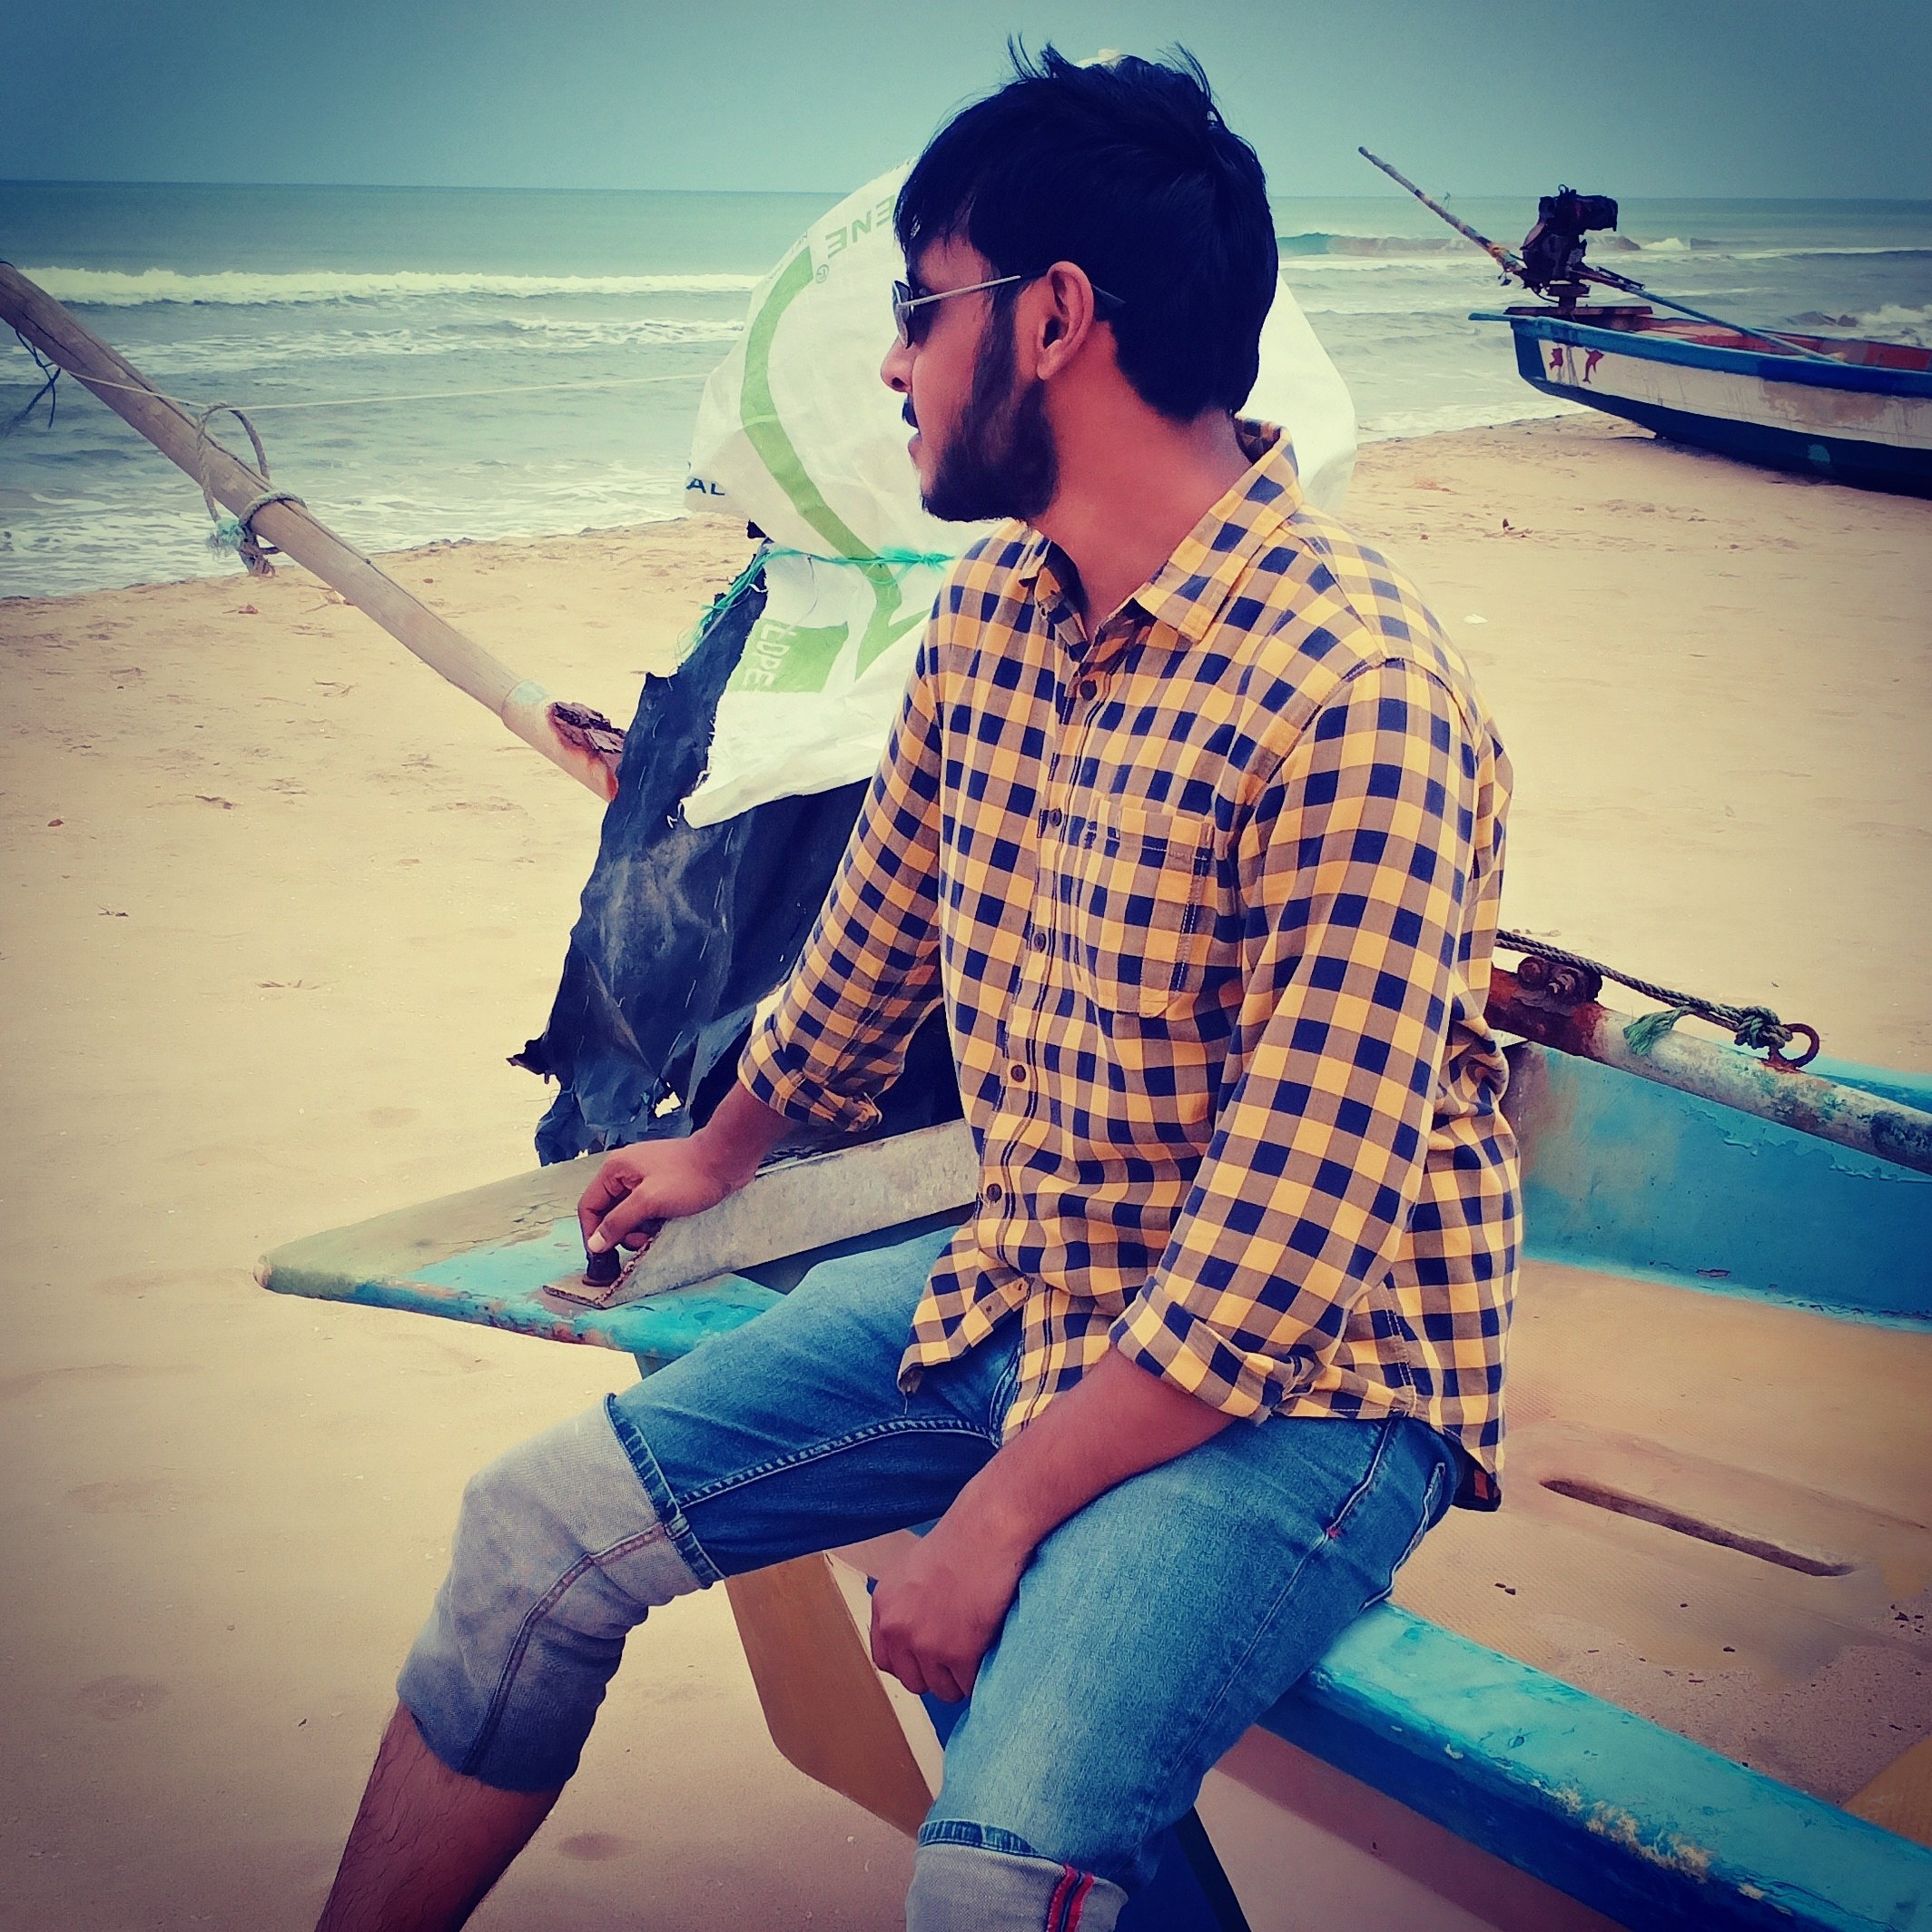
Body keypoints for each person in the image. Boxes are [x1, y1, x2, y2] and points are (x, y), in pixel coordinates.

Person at [314, 46, 1519, 1932]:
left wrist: (996, 1515)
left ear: (1050, 318)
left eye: (915, 306)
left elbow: (1284, 1250)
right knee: (525, 1539)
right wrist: (721, 1151)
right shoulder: (992, 617)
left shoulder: (1356, 697)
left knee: (990, 1876)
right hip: (1031, 1279)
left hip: (1306, 1384)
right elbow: (869, 949)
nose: (891, 365)